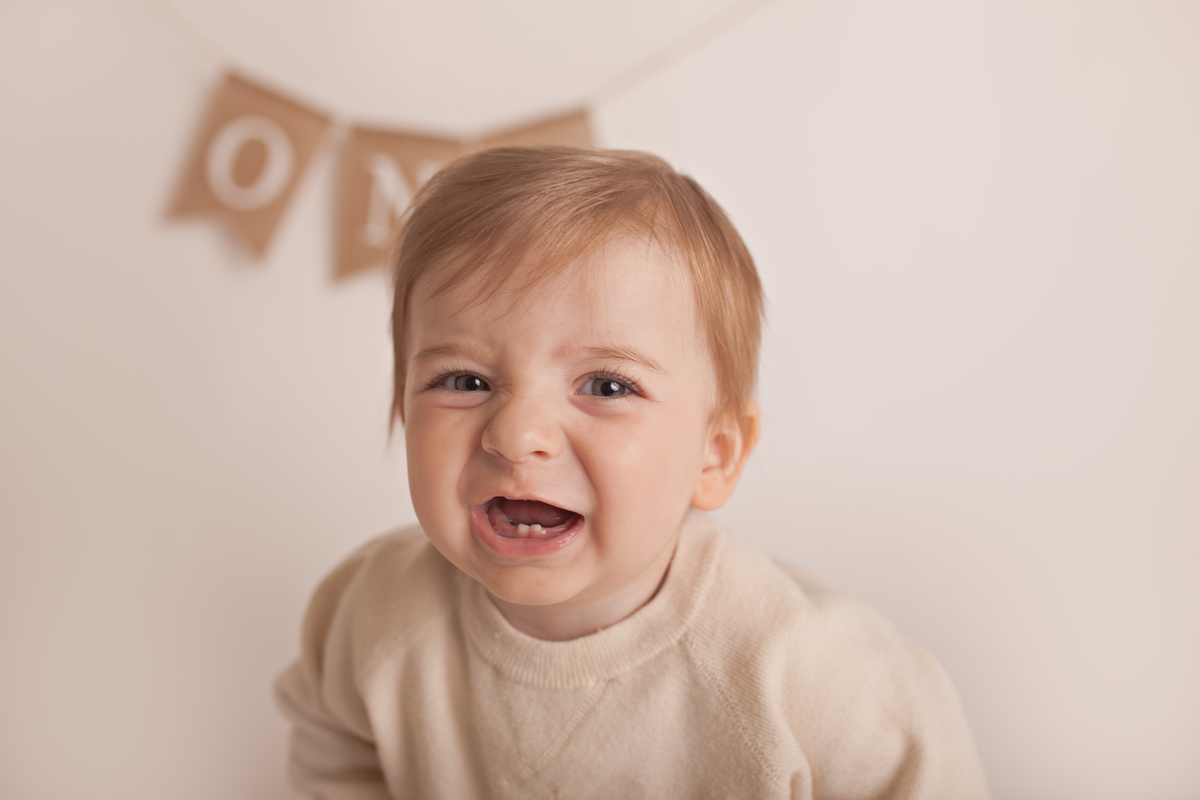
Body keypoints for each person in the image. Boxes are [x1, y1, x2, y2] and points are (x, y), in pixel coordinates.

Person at [274, 147, 991, 799]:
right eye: (463, 380)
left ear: (714, 455)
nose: (518, 433)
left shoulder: (815, 675)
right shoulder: (372, 617)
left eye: (607, 387)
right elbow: (334, 751)